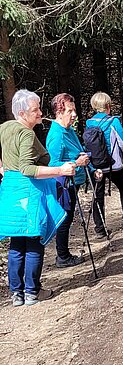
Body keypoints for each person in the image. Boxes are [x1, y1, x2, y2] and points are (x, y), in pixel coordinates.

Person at [0, 89, 76, 306]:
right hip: (28, 192)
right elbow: (27, 168)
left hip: (10, 192)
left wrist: (4, 168)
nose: (41, 113)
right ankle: (32, 291)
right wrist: (60, 171)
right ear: (23, 113)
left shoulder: (4, 128)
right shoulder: (26, 134)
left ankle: (17, 294)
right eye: (36, 110)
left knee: (17, 240)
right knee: (34, 239)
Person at [46, 93, 103, 266]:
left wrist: (92, 170)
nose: (74, 115)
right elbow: (53, 164)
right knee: (65, 217)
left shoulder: (68, 131)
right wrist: (77, 164)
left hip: (74, 180)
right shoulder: (57, 135)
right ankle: (62, 256)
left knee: (68, 217)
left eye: (74, 110)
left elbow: (80, 153)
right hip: (63, 183)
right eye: (70, 111)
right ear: (59, 111)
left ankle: (63, 254)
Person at [86, 92, 123, 230]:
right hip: (113, 164)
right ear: (108, 105)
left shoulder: (89, 123)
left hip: (96, 165)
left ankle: (100, 229)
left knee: (97, 195)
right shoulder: (113, 121)